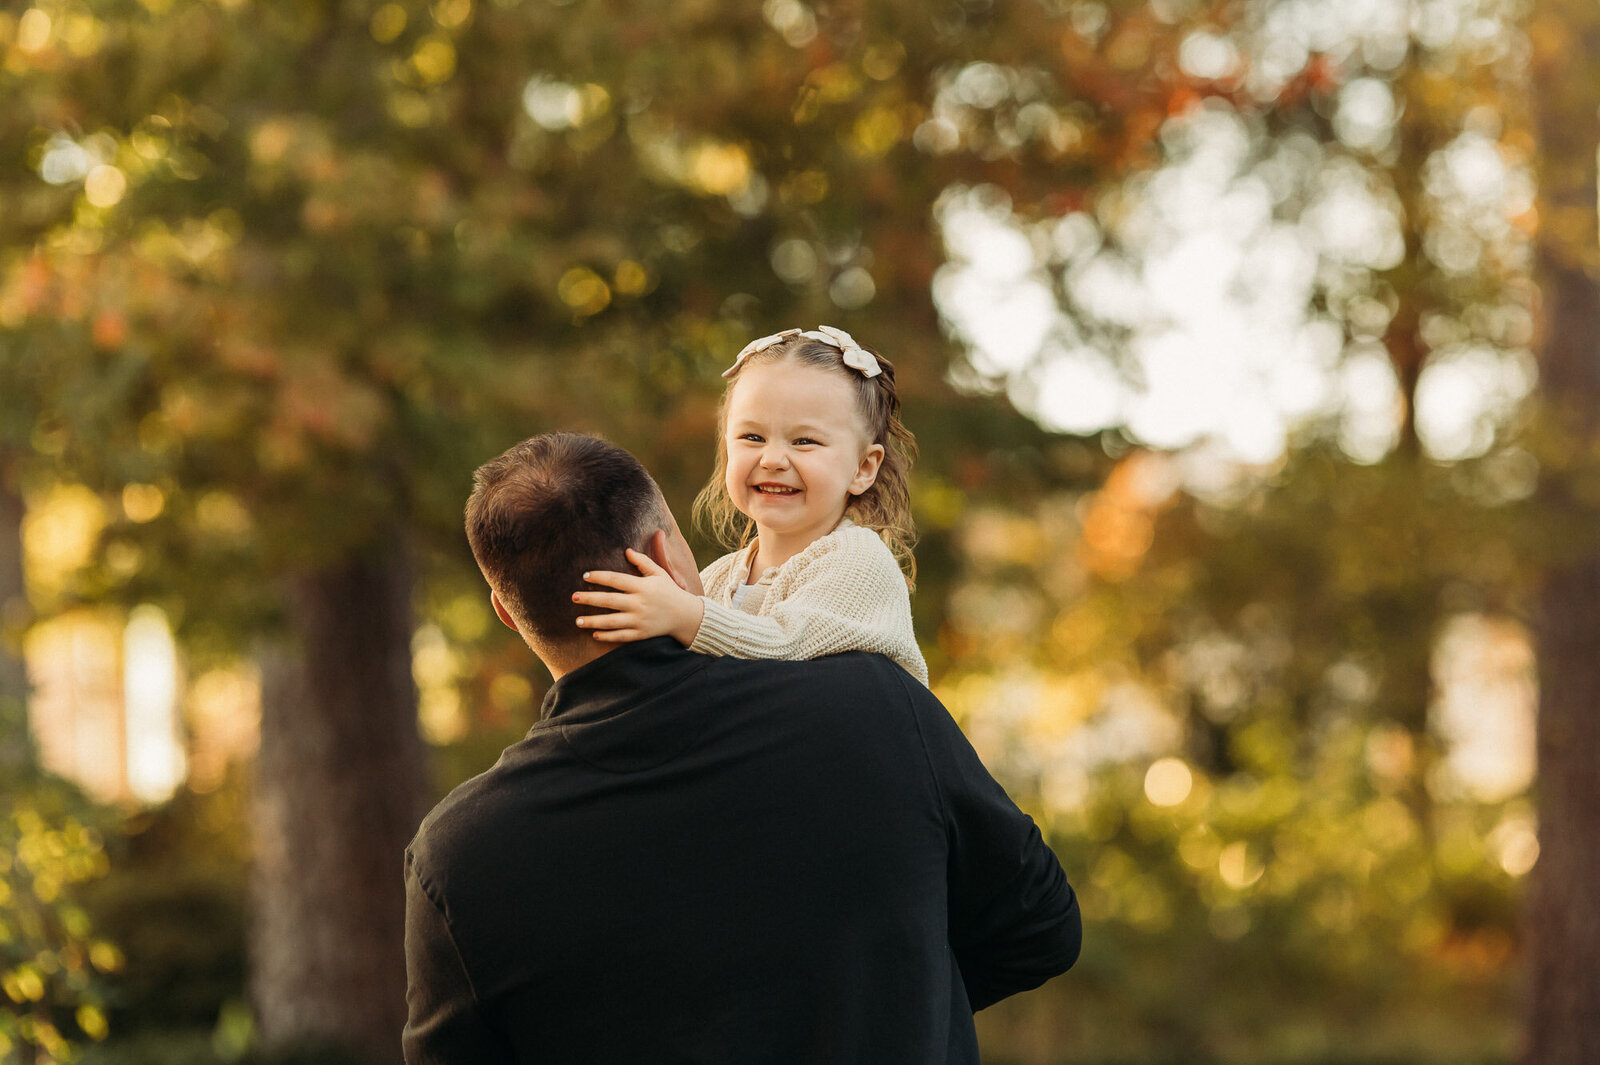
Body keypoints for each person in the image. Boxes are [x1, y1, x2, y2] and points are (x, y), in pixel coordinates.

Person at [402, 432, 1081, 1063]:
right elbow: (1042, 928)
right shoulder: (874, 703)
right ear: (666, 554)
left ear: (504, 608)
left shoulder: (459, 855)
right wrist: (896, 1002)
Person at [572, 326, 929, 684]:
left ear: (864, 468)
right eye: (752, 437)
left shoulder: (860, 562)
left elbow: (791, 646)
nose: (772, 459)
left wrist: (686, 617)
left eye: (805, 441)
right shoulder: (716, 580)